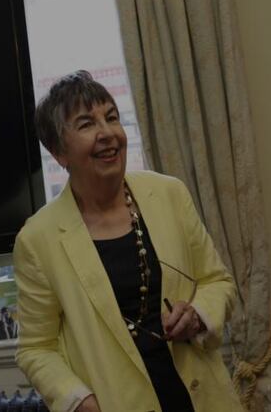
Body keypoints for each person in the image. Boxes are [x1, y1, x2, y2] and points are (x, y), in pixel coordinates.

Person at [13, 70, 243, 412]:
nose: (107, 133)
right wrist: (76, 399)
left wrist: (198, 315)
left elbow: (218, 281)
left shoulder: (169, 194)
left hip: (203, 399)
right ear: (59, 152)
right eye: (87, 124)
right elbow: (35, 347)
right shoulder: (37, 239)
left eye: (112, 117)